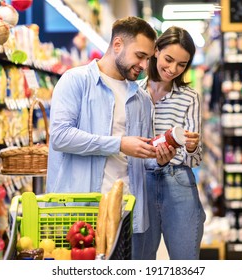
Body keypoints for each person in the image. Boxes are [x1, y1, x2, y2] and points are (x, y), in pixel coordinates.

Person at [46, 16, 175, 258]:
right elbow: (61, 137)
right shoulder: (76, 81)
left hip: (124, 212)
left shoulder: (141, 98)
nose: (145, 65)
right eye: (140, 56)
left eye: (148, 59)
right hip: (78, 210)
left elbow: (141, 157)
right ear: (117, 45)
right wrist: (119, 144)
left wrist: (159, 158)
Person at [136, 26, 206, 260]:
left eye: (182, 64)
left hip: (178, 181)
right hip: (140, 182)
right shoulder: (133, 93)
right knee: (139, 262)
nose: (173, 69)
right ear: (155, 51)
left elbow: (195, 160)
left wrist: (191, 147)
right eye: (168, 59)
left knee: (185, 262)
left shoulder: (190, 97)